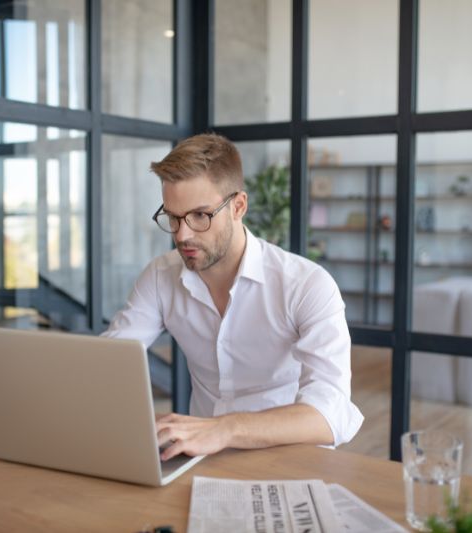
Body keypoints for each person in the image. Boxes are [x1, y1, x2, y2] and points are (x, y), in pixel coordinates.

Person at [102, 133, 363, 461]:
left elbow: (330, 414)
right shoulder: (160, 276)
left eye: (200, 216)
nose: (182, 235)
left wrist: (224, 429)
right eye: (173, 217)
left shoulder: (307, 285)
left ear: (239, 206)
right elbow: (108, 363)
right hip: (199, 459)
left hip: (288, 461)